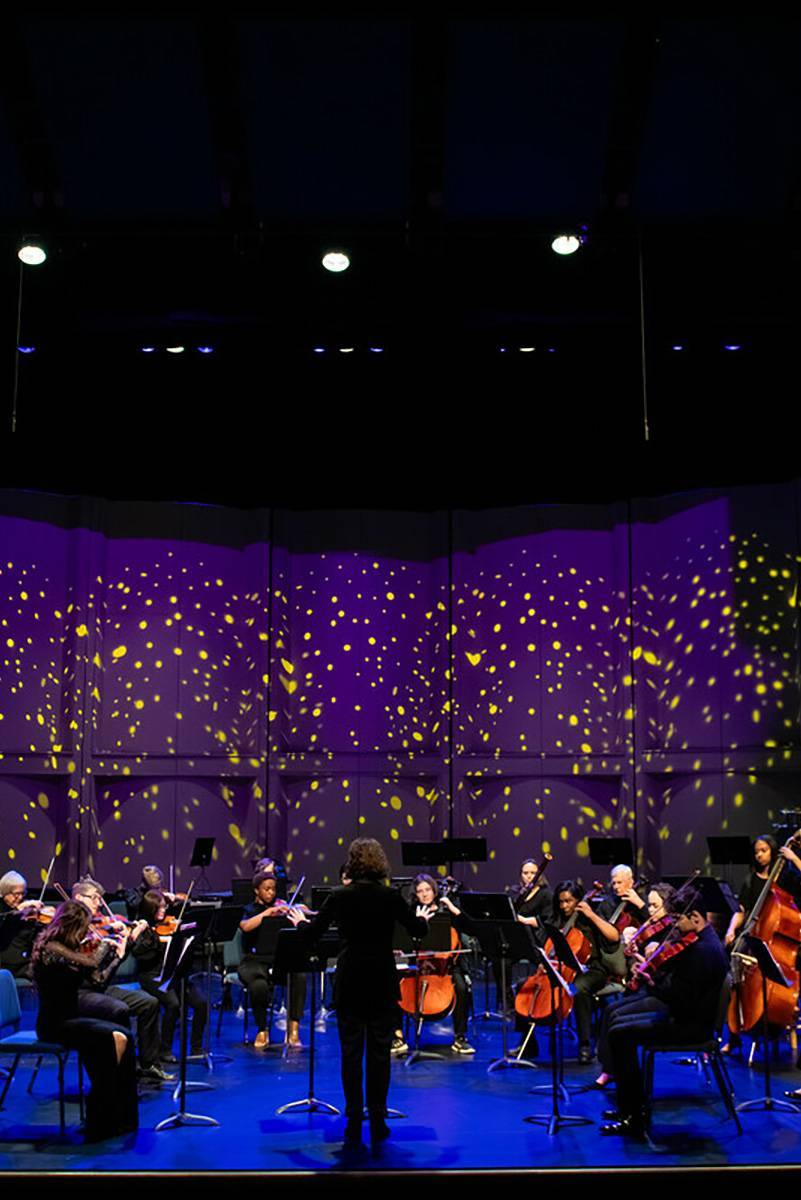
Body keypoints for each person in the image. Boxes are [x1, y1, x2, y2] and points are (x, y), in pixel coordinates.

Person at [287, 837, 434, 1143]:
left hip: (351, 979)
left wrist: (301, 922)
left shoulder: (339, 895)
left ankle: (354, 1116)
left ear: (352, 862)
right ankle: (378, 1119)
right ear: (380, 862)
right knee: (380, 1054)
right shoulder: (390, 896)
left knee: (351, 1054)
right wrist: (421, 918)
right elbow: (418, 930)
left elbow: (312, 934)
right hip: (381, 978)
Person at [600, 887, 729, 1138]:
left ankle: (633, 1116)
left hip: (690, 1027)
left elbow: (679, 998)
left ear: (695, 917)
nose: (675, 926)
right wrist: (656, 977)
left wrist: (652, 980)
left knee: (619, 1034)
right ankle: (631, 1107)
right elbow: (679, 989)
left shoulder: (704, 951)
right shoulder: (703, 941)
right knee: (618, 1026)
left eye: (678, 919)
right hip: (686, 1016)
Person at [31, 901, 139, 1142]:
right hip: (53, 1025)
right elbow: (90, 963)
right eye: (85, 927)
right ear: (73, 925)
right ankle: (100, 1121)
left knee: (123, 1037)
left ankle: (120, 1119)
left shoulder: (71, 950)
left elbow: (98, 980)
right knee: (109, 1039)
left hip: (72, 1021)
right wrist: (104, 945)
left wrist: (118, 958)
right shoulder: (51, 949)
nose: (87, 932)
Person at [70, 877, 173, 1083]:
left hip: (100, 987)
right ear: (78, 898)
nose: (99, 904)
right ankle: (121, 1067)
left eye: (100, 899)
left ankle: (148, 1064)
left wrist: (124, 944)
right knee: (119, 1009)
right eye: (94, 899)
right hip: (79, 993)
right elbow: (90, 968)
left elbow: (105, 971)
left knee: (149, 1003)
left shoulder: (99, 926)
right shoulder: (71, 928)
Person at [723, 834, 801, 1054]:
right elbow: (741, 912)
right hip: (755, 937)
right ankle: (734, 1035)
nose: (759, 855)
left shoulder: (787, 878)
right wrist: (731, 929)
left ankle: (770, 1021)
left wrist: (793, 857)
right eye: (756, 851)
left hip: (778, 944)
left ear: (774, 851)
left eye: (764, 850)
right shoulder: (751, 879)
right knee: (734, 979)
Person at [130, 889, 208, 1062]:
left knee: (201, 1003)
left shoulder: (171, 924)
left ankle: (196, 1048)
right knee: (173, 1004)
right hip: (151, 975)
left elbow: (186, 909)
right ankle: (164, 1050)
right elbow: (140, 954)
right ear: (149, 909)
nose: (163, 912)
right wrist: (156, 941)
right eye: (159, 908)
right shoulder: (142, 928)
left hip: (174, 974)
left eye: (164, 907)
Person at [552, 880, 621, 1063]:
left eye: (569, 901)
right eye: (561, 902)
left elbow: (614, 936)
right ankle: (529, 1044)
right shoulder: (557, 920)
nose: (564, 906)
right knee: (524, 986)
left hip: (593, 970)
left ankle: (585, 1043)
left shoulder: (589, 918)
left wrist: (591, 915)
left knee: (578, 989)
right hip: (565, 969)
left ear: (578, 901)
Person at [238, 869, 307, 1049]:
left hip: (276, 960)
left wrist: (293, 911)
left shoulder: (279, 907)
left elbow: (304, 911)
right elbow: (245, 926)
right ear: (256, 890)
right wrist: (267, 913)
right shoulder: (249, 909)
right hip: (253, 961)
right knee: (259, 986)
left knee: (298, 977)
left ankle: (293, 1030)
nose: (271, 892)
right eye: (266, 889)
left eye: (273, 889)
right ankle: (262, 1030)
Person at [412, 874, 475, 1054]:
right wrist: (419, 922)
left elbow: (471, 928)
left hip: (446, 967)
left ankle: (460, 1037)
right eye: (419, 891)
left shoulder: (446, 911)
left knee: (462, 987)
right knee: (395, 984)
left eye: (427, 890)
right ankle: (397, 1036)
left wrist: (454, 910)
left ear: (434, 891)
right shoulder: (413, 911)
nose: (424, 895)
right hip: (420, 964)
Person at [0, 871, 54, 977]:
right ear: (5, 892)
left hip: (26, 962)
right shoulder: (4, 910)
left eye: (22, 893)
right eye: (16, 894)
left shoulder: (28, 910)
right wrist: (19, 909)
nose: (20, 898)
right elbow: (3, 921)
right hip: (6, 964)